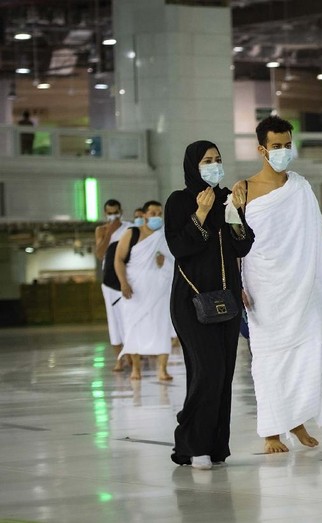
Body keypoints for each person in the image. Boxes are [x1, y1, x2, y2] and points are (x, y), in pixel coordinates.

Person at [234, 116, 322, 454]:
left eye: (288, 145)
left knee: (307, 351)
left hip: (301, 283)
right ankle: (271, 431)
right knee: (269, 357)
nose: (284, 151)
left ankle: (297, 418)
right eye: (277, 146)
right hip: (263, 285)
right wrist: (237, 284)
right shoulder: (242, 191)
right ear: (261, 149)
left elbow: (314, 239)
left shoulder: (299, 187)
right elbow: (233, 242)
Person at [165, 140, 254, 470]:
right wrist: (200, 214)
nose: (214, 165)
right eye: (207, 160)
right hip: (190, 303)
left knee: (223, 374)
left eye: (218, 160)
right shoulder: (179, 201)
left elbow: (242, 247)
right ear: (193, 165)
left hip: (226, 301)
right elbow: (180, 247)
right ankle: (192, 442)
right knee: (208, 370)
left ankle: (214, 446)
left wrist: (236, 214)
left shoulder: (227, 199)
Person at [114, 200, 174, 381]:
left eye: (159, 213)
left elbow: (175, 260)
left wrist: (165, 262)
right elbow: (118, 259)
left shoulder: (165, 236)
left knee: (161, 327)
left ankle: (162, 370)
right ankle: (136, 370)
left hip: (159, 290)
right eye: (152, 213)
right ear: (145, 214)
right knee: (133, 327)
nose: (156, 216)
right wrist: (123, 283)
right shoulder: (132, 233)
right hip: (134, 289)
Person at [94, 199, 132, 371]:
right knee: (114, 321)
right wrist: (109, 233)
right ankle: (119, 358)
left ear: (121, 211)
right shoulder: (101, 230)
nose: (113, 215)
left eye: (115, 212)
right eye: (109, 213)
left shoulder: (129, 228)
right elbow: (100, 254)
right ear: (105, 214)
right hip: (109, 280)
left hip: (127, 277)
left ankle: (133, 355)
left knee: (128, 319)